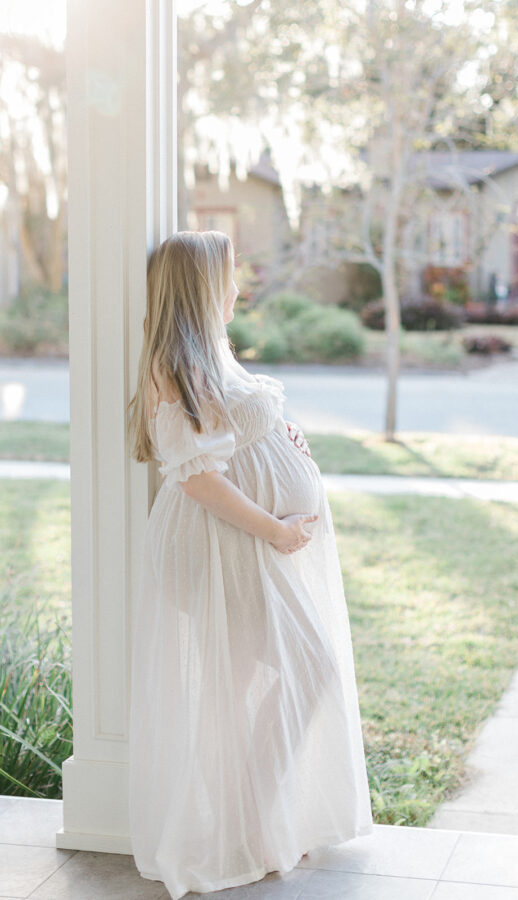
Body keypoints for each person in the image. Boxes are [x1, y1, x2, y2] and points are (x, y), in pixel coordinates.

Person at [126, 230, 373, 898]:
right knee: (305, 665)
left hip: (241, 544)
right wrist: (275, 530)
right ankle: (254, 820)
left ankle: (244, 821)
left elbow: (232, 439)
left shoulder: (211, 354)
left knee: (237, 686)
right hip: (218, 545)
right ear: (203, 286)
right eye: (230, 276)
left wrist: (280, 434)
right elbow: (195, 477)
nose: (239, 287)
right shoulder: (170, 364)